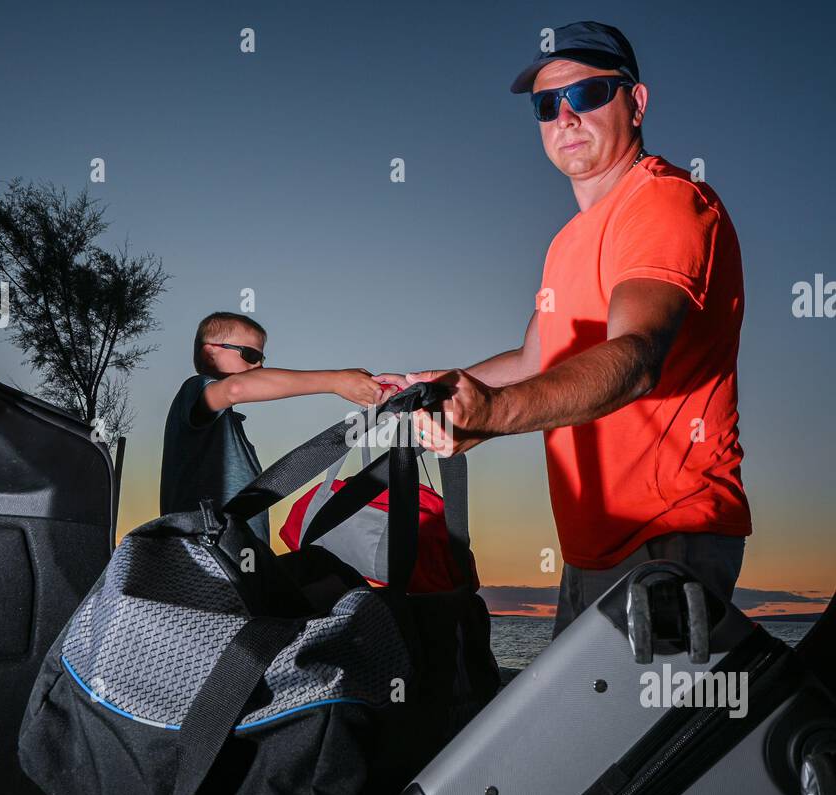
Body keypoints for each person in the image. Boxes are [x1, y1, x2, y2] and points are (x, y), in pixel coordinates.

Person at [376, 21, 752, 637]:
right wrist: (436, 385)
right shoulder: (566, 242)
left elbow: (635, 357)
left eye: (588, 94)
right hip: (588, 545)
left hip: (666, 539)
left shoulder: (664, 202)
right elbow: (536, 357)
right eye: (547, 105)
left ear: (636, 102)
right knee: (570, 731)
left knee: (637, 735)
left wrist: (494, 413)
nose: (566, 117)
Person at [160, 311, 383, 542]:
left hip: (235, 558)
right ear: (209, 354)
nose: (258, 366)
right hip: (206, 560)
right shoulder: (195, 390)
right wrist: (336, 381)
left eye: (261, 359)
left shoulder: (224, 425)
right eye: (249, 354)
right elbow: (235, 389)